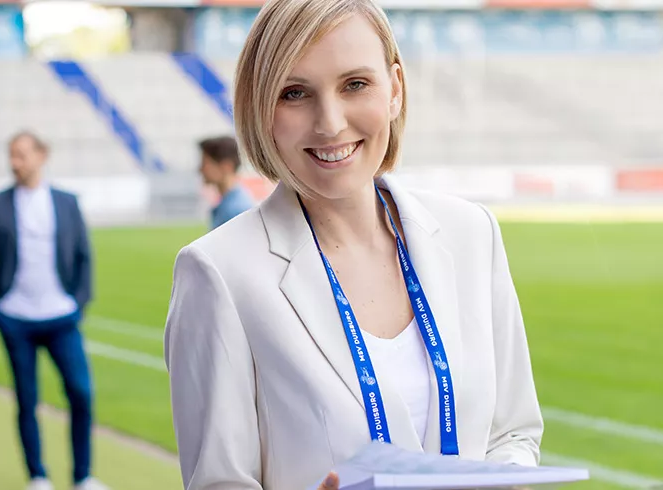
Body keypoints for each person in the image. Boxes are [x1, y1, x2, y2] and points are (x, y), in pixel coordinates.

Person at [161, 0, 544, 488]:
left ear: (395, 90)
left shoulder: (472, 233)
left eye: (355, 84)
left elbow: (512, 434)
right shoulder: (218, 273)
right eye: (294, 93)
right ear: (260, 110)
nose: (330, 123)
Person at [0, 130, 106, 490]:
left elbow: (84, 255)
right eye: (11, 155)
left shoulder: (66, 202)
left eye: (21, 154)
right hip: (16, 318)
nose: (14, 162)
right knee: (26, 398)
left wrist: (79, 303)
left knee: (81, 393)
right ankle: (37, 475)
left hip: (62, 317)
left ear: (41, 155)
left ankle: (83, 476)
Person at [199, 136, 253, 229]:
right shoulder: (228, 205)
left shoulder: (237, 210)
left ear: (226, 166)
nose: (200, 170)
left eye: (205, 164)